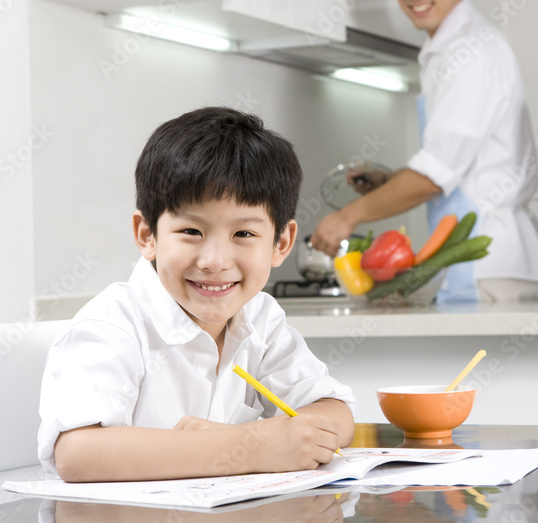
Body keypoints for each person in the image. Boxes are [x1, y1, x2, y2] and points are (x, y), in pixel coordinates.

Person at [37, 107, 355, 482]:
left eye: (244, 234)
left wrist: (278, 437)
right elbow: (79, 454)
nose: (215, 261)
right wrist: (251, 446)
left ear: (280, 242)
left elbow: (335, 410)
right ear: (146, 234)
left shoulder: (260, 317)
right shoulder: (115, 322)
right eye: (191, 231)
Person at [310, 0, 538, 303]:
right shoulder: (444, 51)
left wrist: (348, 217)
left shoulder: (471, 52)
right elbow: (458, 165)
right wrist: (391, 184)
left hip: (489, 260)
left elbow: (435, 176)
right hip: (474, 255)